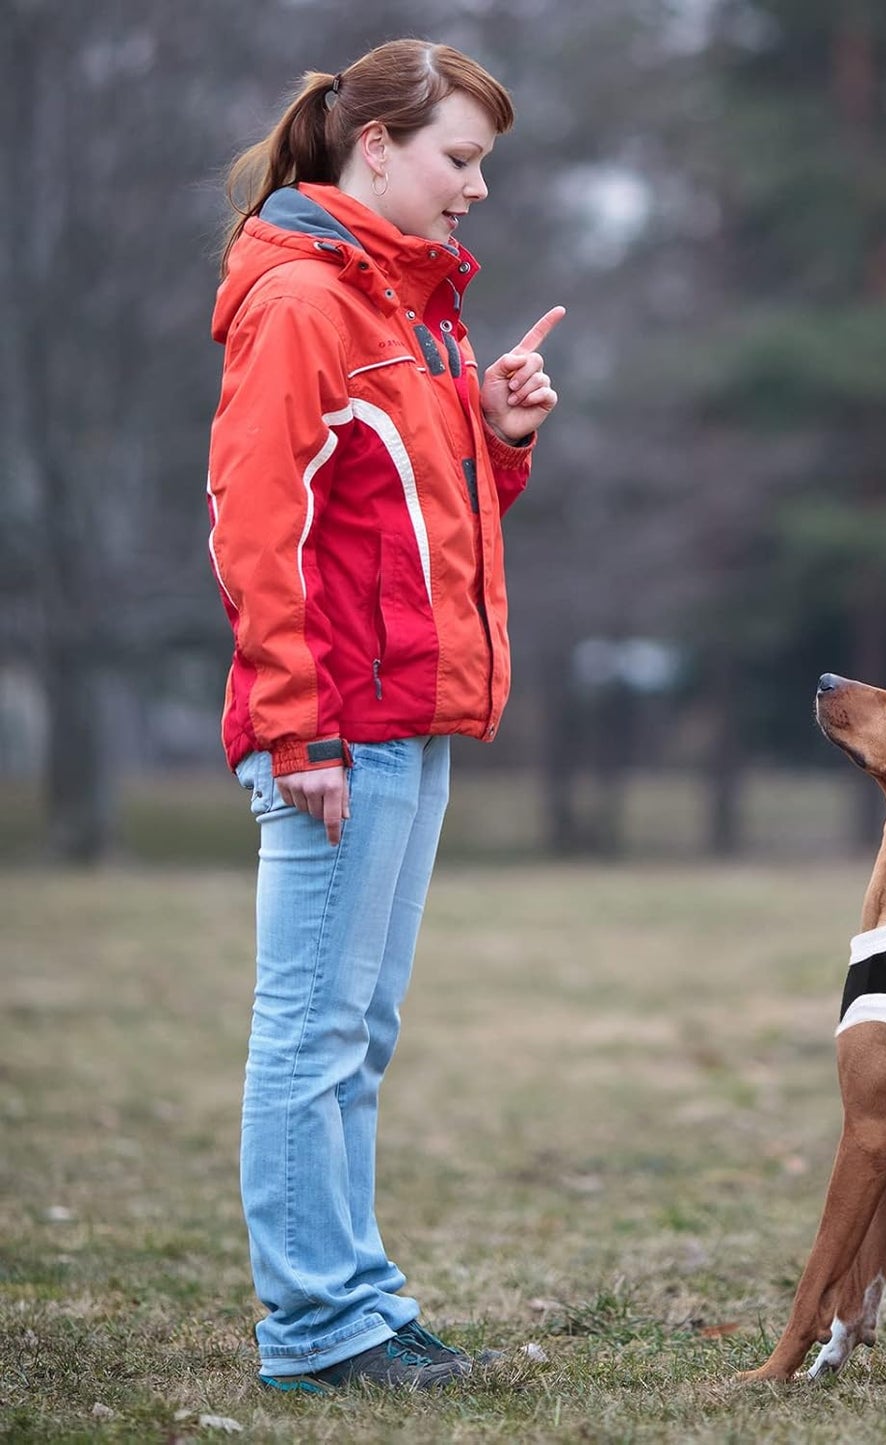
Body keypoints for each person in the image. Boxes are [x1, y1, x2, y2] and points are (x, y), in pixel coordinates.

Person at [207, 38, 563, 1393]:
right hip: (333, 731)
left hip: (401, 720)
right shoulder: (304, 302)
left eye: (482, 164)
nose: (475, 189)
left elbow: (415, 525)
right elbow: (257, 528)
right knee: (309, 1034)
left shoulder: (415, 308)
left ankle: (353, 1296)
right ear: (374, 149)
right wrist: (294, 733)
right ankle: (315, 1327)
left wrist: (499, 433)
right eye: (458, 159)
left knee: (358, 1034)